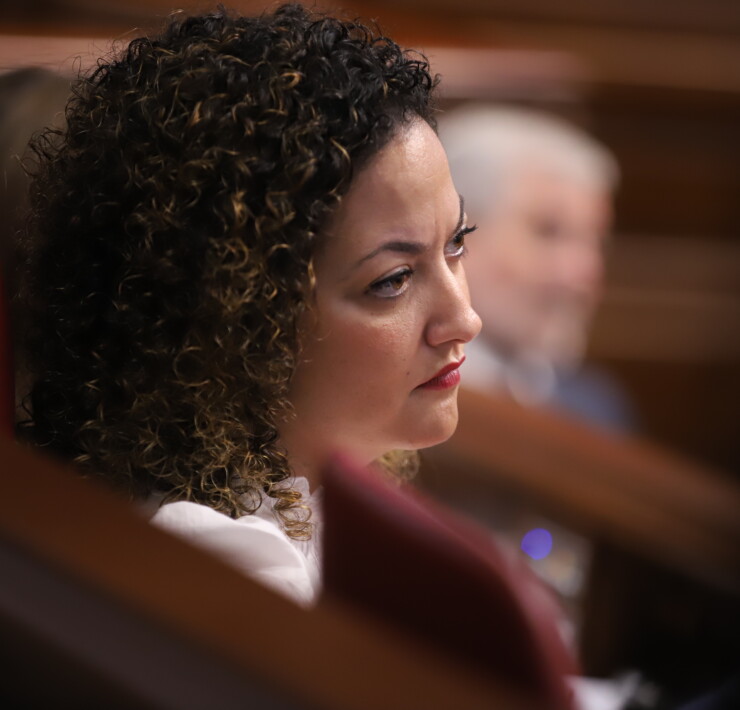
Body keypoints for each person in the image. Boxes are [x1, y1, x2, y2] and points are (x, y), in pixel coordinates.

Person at [18, 5, 481, 606]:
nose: (464, 319)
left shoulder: (297, 507)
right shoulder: (231, 567)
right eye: (392, 280)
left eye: (457, 242)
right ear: (238, 320)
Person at [438, 106, 634, 432]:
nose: (584, 272)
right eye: (548, 232)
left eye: (598, 242)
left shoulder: (597, 411)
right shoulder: (385, 400)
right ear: (455, 235)